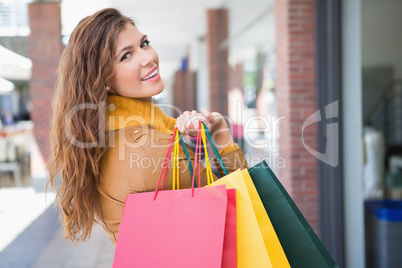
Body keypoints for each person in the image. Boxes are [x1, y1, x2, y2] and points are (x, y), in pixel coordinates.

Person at [48, 8, 249, 245]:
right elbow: (245, 204)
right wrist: (222, 137)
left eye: (144, 44)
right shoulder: (148, 148)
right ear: (103, 82)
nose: (148, 57)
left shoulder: (107, 137)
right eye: (126, 56)